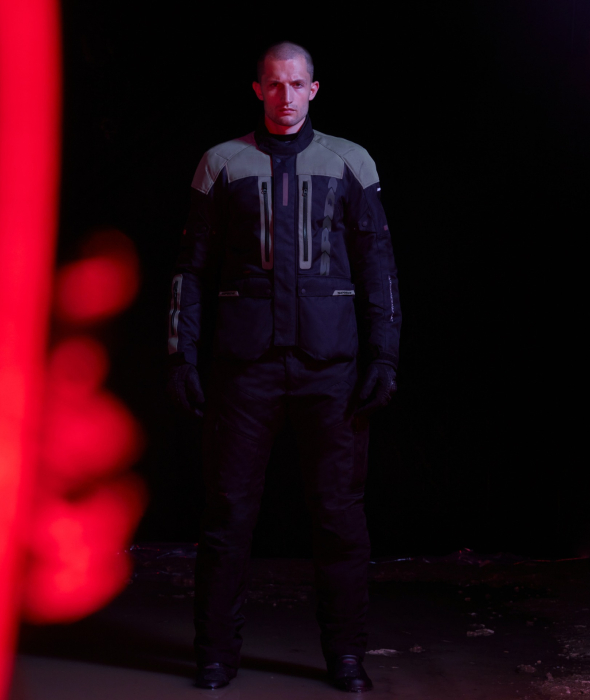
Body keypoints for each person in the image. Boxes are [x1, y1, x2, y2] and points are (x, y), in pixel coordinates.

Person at [167, 40, 401, 693]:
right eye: (274, 84)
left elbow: (379, 266)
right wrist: (181, 354)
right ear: (257, 89)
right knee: (227, 517)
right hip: (244, 372)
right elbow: (191, 269)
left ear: (314, 89)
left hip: (332, 371)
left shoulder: (350, 162)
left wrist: (384, 355)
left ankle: (346, 656)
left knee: (339, 519)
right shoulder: (222, 163)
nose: (286, 96)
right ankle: (215, 656)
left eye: (297, 84)